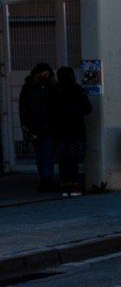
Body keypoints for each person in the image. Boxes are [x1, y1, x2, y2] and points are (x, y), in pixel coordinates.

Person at [49, 67, 92, 197]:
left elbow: (49, 110)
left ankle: (64, 185)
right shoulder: (78, 90)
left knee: (63, 160)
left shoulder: (55, 91)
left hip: (61, 131)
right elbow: (88, 109)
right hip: (76, 130)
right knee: (74, 160)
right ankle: (74, 185)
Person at [19, 63, 56, 192]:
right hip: (39, 126)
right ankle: (46, 179)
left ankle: (46, 179)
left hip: (43, 125)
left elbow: (23, 108)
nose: (46, 76)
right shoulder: (47, 87)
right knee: (44, 153)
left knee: (44, 153)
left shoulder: (30, 88)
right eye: (44, 74)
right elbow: (24, 108)